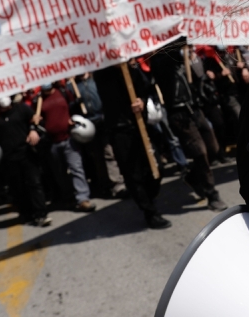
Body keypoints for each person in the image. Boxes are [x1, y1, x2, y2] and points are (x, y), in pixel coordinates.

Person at [149, 41, 227, 212]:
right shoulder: (159, 60)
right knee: (200, 152)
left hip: (195, 108)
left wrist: (192, 59)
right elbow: (168, 64)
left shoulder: (185, 56)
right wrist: (179, 45)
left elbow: (199, 77)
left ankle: (193, 177)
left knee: (213, 148)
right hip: (178, 113)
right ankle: (211, 193)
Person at [93, 63, 171, 229]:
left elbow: (147, 89)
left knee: (157, 167)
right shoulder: (102, 75)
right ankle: (150, 212)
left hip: (140, 126)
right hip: (120, 131)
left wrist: (142, 102)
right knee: (133, 174)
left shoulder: (133, 70)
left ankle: (149, 198)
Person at [0, 97, 51, 227]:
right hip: (8, 159)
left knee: (35, 183)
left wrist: (32, 129)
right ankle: (26, 214)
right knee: (17, 188)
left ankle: (41, 214)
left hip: (26, 153)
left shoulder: (21, 109)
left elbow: (35, 118)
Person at [37, 83, 96, 213]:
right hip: (52, 142)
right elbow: (36, 121)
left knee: (76, 168)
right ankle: (69, 197)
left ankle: (83, 199)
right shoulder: (39, 100)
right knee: (60, 173)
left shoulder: (63, 91)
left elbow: (73, 107)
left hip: (68, 138)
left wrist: (74, 116)